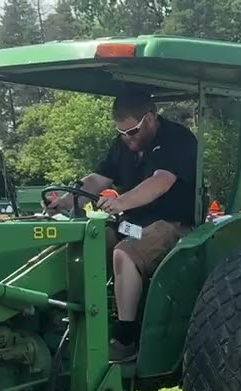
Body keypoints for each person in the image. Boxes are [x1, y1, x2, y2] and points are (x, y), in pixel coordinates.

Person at [49, 87, 198, 361]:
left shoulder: (178, 139)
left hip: (171, 225)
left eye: (132, 132)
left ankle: (125, 338)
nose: (127, 139)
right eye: (122, 133)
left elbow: (160, 182)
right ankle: (71, 319)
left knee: (124, 254)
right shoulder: (124, 145)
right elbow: (98, 179)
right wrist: (67, 200)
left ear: (150, 118)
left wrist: (121, 202)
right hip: (133, 225)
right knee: (88, 242)